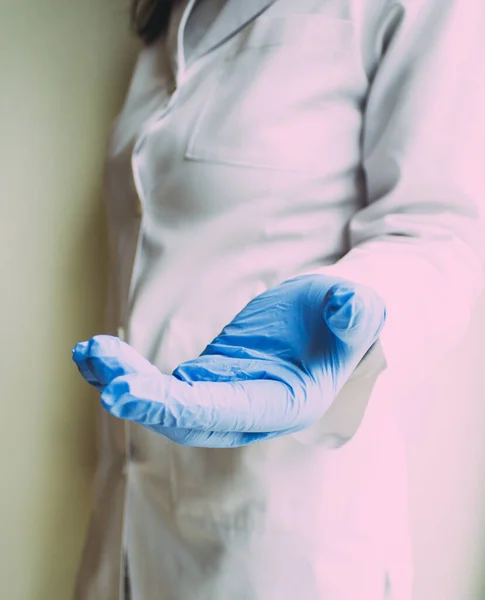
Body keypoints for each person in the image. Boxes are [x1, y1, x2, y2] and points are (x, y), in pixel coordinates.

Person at [72, 1, 485, 599]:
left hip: (284, 546)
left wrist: (353, 314)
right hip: (126, 526)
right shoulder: (169, 16)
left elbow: (438, 229)